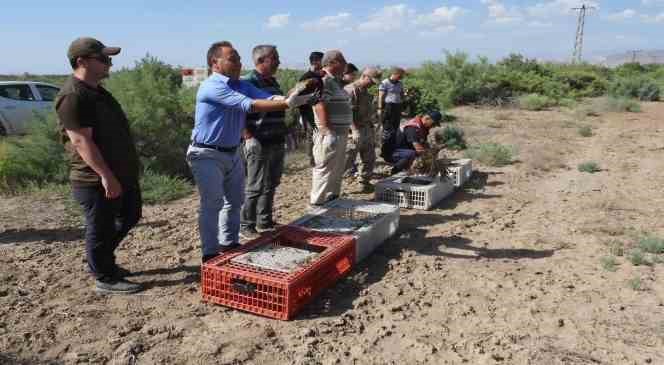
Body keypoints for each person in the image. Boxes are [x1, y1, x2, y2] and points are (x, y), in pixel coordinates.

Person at [187, 41, 313, 262]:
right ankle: (209, 253)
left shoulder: (239, 84)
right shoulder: (213, 86)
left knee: (235, 201)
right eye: (232, 59)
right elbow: (251, 105)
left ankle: (229, 243)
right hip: (206, 154)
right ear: (214, 63)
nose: (238, 63)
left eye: (238, 58)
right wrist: (287, 104)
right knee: (212, 203)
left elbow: (264, 96)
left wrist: (288, 98)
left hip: (231, 151)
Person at [56, 37, 143, 294]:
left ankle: (101, 261)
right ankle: (104, 275)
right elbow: (81, 141)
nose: (110, 64)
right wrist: (106, 175)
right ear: (82, 61)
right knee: (101, 227)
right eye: (104, 59)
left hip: (120, 172)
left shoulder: (97, 90)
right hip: (94, 179)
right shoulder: (73, 95)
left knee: (130, 215)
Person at [240, 45, 288, 236]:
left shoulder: (273, 82)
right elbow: (239, 111)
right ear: (261, 61)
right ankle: (246, 225)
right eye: (274, 58)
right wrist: (248, 136)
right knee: (255, 186)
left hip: (276, 138)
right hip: (258, 140)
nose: (278, 62)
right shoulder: (249, 81)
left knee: (271, 183)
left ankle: (264, 221)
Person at [310, 50, 353, 206]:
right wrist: (327, 130)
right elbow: (319, 103)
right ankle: (317, 204)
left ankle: (331, 200)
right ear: (333, 62)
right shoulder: (325, 80)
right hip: (329, 134)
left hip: (339, 133)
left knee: (336, 169)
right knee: (324, 169)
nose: (345, 65)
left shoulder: (335, 81)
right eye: (343, 61)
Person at [344, 67, 382, 190]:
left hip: (366, 128)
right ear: (364, 76)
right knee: (346, 160)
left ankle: (364, 183)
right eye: (371, 81)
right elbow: (347, 112)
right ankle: (332, 188)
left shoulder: (366, 92)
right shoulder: (350, 90)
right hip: (352, 131)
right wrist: (354, 130)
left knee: (369, 158)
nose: (372, 85)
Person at [299, 51, 325, 167]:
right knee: (312, 136)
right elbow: (298, 96)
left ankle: (318, 157)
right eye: (322, 61)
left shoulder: (320, 77)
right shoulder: (306, 78)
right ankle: (312, 160)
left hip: (319, 112)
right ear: (315, 62)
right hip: (309, 113)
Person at [378, 67, 405, 136]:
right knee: (387, 124)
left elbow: (402, 94)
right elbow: (380, 96)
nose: (401, 78)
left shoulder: (400, 83)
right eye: (400, 76)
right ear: (394, 74)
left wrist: (404, 103)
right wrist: (380, 108)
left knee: (396, 124)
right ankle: (386, 140)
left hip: (398, 106)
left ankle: (393, 140)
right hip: (388, 106)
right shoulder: (385, 83)